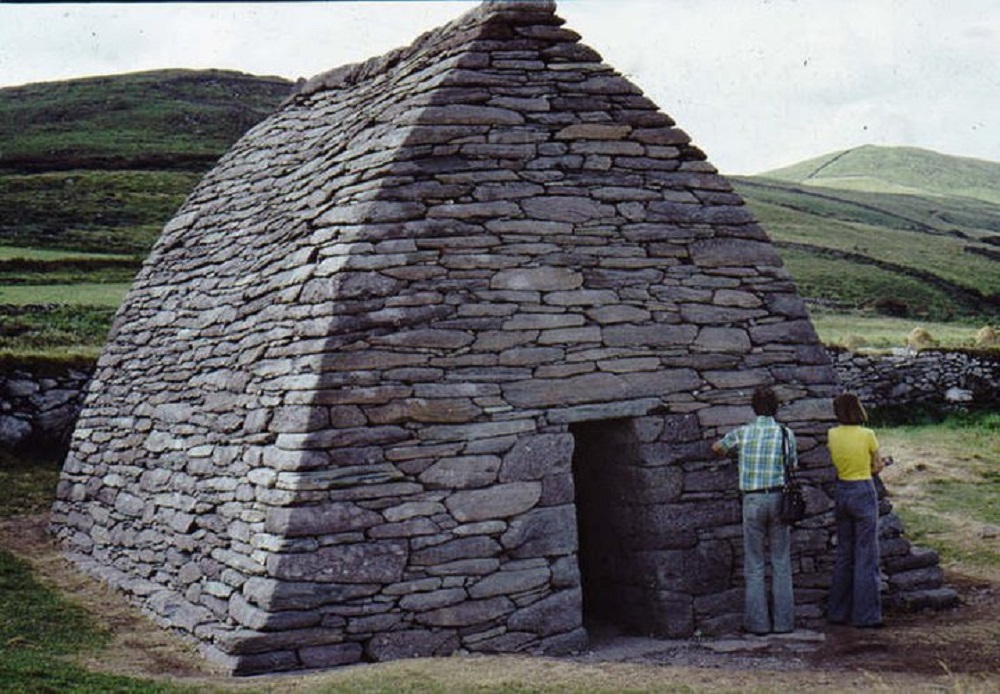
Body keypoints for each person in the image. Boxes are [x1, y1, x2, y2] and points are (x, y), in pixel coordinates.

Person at [712, 386, 798, 636]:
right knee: (781, 561)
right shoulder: (785, 434)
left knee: (755, 563)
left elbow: (718, 448)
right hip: (779, 499)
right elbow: (792, 464)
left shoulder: (744, 433)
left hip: (752, 500)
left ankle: (758, 623)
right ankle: (784, 623)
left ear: (753, 408)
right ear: (776, 407)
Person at [826, 392, 885, 628]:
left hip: (842, 490)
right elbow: (877, 466)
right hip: (863, 489)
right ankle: (866, 616)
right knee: (866, 555)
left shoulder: (832, 434)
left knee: (844, 554)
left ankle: (838, 612)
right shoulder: (868, 434)